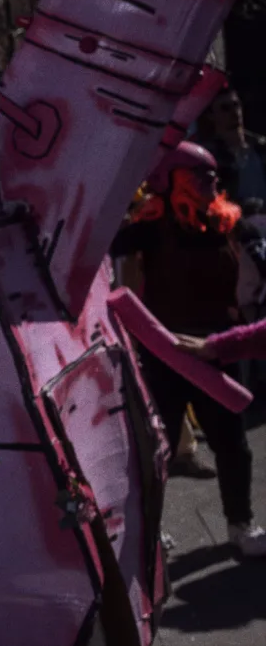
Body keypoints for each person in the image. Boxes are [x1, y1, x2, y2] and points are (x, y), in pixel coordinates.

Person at [110, 141, 266, 558]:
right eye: (198, 174)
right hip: (164, 353)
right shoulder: (151, 228)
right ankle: (148, 535)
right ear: (169, 180)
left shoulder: (230, 226)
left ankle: (240, 523)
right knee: (154, 451)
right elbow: (102, 244)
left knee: (233, 444)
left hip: (217, 352)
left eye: (212, 175)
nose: (210, 182)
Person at [195, 87, 266, 210]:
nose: (234, 113)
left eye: (236, 105)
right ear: (211, 115)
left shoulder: (261, 148)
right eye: (225, 108)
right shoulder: (211, 158)